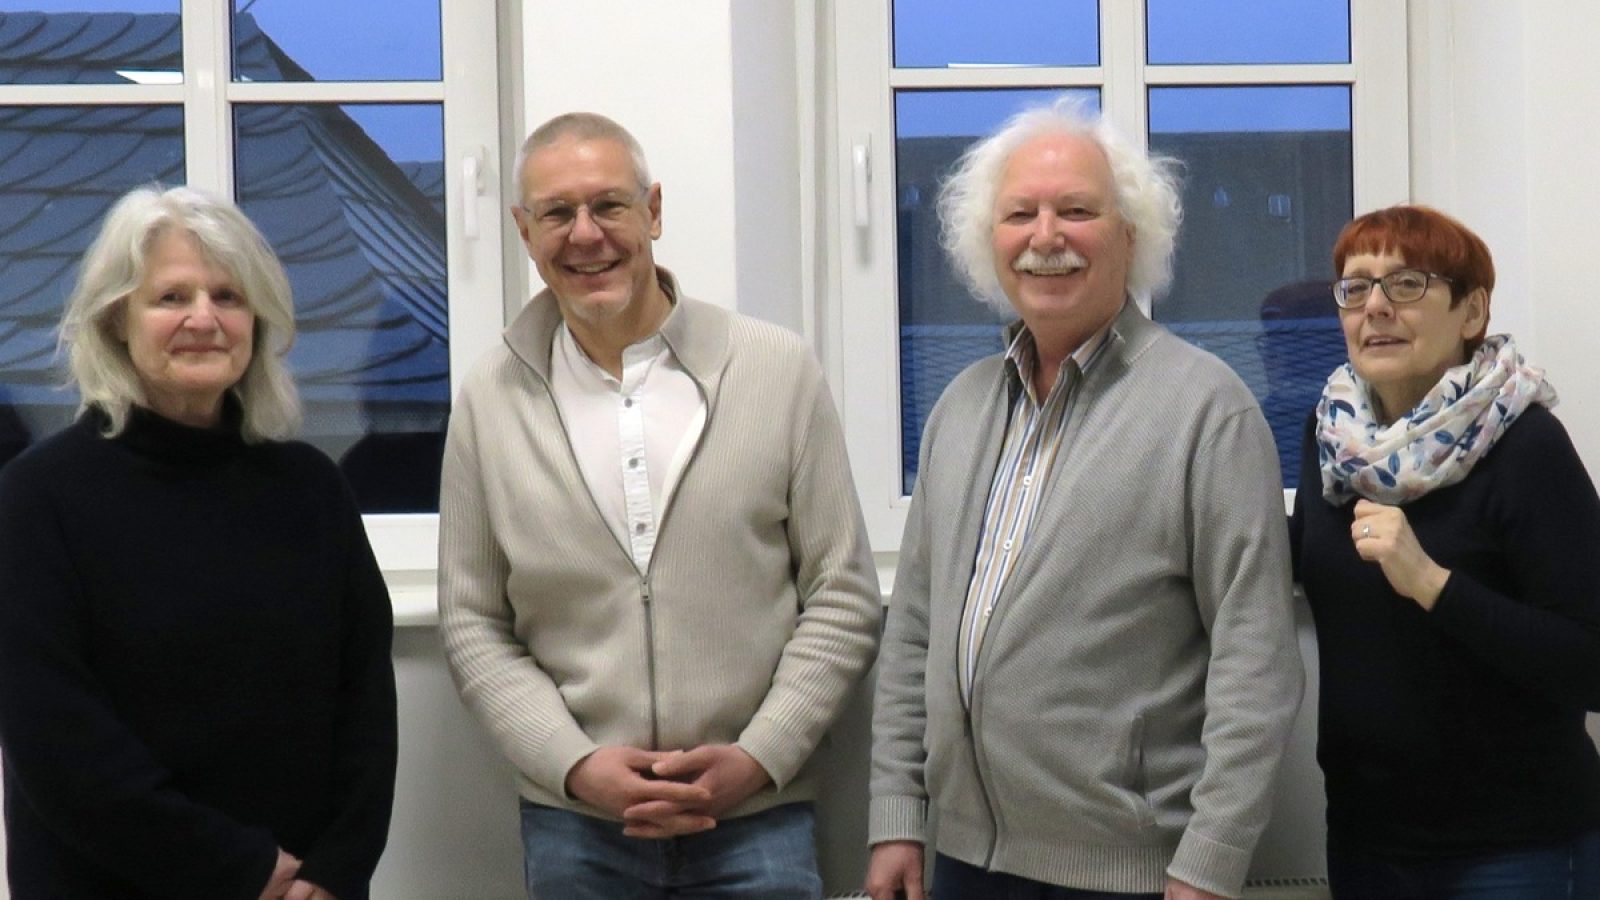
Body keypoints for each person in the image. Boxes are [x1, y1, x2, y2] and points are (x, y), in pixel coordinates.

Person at [866, 97, 1302, 900]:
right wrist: (897, 812)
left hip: (1135, 875)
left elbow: (1256, 662)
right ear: (987, 242)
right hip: (961, 860)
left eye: (1076, 211)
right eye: (1019, 214)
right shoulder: (960, 409)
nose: (1045, 237)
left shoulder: (1206, 410)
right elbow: (915, 631)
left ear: (1131, 236)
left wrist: (1210, 863)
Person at [437, 112, 881, 899]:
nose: (585, 235)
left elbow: (841, 592)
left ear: (654, 211)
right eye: (556, 213)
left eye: (609, 205)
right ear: (522, 229)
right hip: (576, 827)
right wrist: (576, 765)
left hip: (759, 816)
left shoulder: (774, 370)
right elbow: (473, 621)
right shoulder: (488, 399)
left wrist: (760, 755)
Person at [0, 185, 397, 899]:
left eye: (228, 296)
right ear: (116, 319)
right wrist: (246, 871)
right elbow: (56, 744)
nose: (204, 319)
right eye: (171, 298)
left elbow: (365, 704)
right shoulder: (37, 497)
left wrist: (337, 869)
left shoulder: (311, 489)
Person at [1290, 205, 1600, 898]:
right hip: (1365, 840)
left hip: (1514, 850)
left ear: (1471, 312)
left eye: (1407, 284)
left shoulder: (1526, 445)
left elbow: (1592, 664)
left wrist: (1434, 584)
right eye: (1355, 288)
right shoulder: (1331, 440)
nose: (1375, 307)